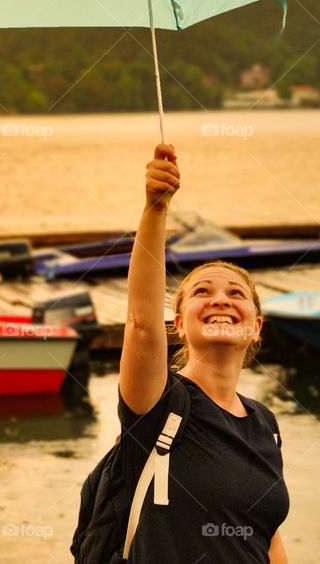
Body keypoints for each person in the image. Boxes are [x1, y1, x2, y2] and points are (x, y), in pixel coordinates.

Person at [119, 143, 289, 563]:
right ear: (178, 323)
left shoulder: (264, 423)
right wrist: (155, 211)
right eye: (201, 292)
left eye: (236, 294)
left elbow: (269, 538)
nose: (221, 300)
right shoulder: (159, 402)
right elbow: (140, 325)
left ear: (255, 328)